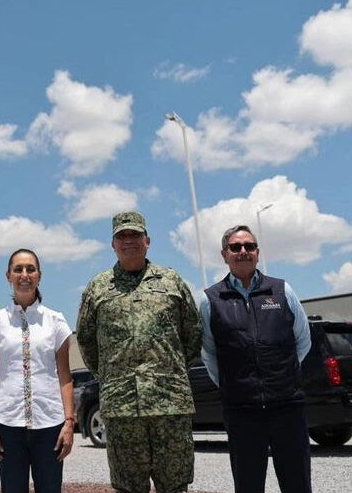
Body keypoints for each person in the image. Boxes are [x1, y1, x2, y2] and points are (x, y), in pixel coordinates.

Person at [76, 211, 201, 493]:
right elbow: (86, 341)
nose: (128, 241)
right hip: (122, 408)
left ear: (147, 241)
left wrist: (171, 372)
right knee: (128, 486)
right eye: (122, 236)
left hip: (170, 405)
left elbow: (193, 334)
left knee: (175, 485)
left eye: (135, 235)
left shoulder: (171, 281)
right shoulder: (98, 288)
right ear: (113, 244)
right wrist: (112, 376)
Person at [199, 224, 312, 493]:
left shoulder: (282, 291)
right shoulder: (210, 300)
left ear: (258, 253)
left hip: (288, 408)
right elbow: (209, 354)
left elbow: (303, 340)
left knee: (297, 484)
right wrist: (235, 385)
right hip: (242, 412)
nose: (243, 251)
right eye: (235, 247)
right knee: (248, 485)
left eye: (249, 246)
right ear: (224, 254)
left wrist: (281, 375)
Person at [0, 248, 75, 493]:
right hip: (7, 424)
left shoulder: (56, 321)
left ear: (39, 276)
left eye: (30, 269)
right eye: (18, 269)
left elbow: (64, 375)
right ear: (8, 275)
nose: (24, 274)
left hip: (50, 423)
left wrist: (68, 422)